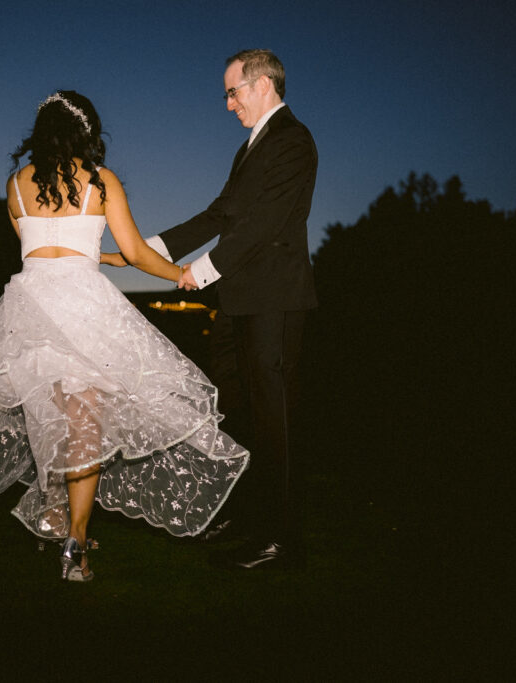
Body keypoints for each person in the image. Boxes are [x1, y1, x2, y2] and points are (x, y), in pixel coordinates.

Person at [0, 90, 248, 582]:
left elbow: (35, 248)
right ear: (89, 131)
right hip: (85, 307)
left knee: (48, 415)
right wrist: (181, 276)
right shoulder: (100, 182)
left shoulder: (15, 186)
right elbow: (133, 251)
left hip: (30, 307)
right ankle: (76, 545)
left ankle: (54, 515)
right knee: (85, 424)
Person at [110, 50, 318, 570]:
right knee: (242, 415)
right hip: (237, 303)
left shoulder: (293, 140)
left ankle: (282, 540)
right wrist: (143, 250)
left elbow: (263, 224)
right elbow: (219, 214)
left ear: (265, 84)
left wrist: (197, 273)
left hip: (274, 302)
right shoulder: (249, 148)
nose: (228, 104)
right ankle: (249, 517)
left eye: (234, 91)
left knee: (277, 421)